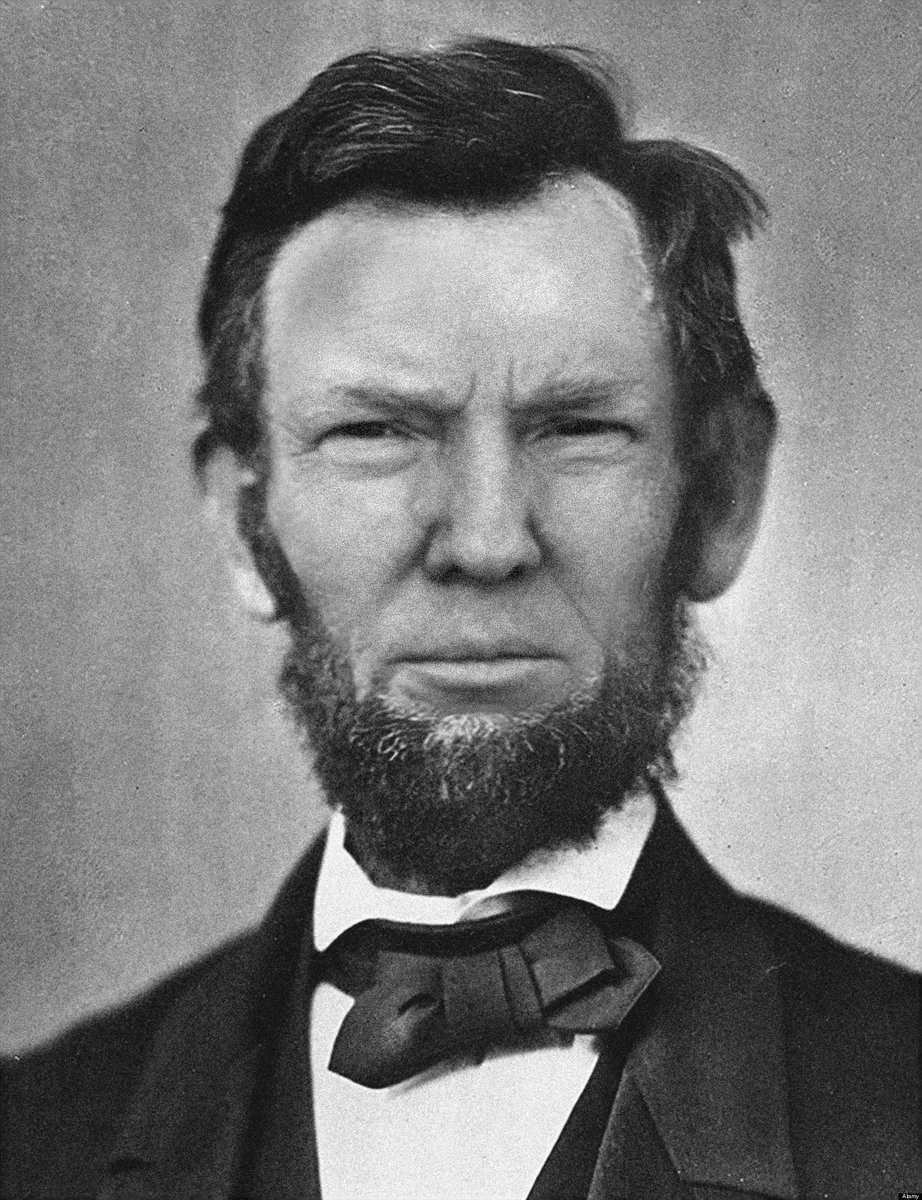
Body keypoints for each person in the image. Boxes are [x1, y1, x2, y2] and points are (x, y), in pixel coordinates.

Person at [1, 36, 918, 1200]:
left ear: (722, 497)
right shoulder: (35, 1139)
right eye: (375, 432)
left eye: (578, 429)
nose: (486, 542)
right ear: (243, 522)